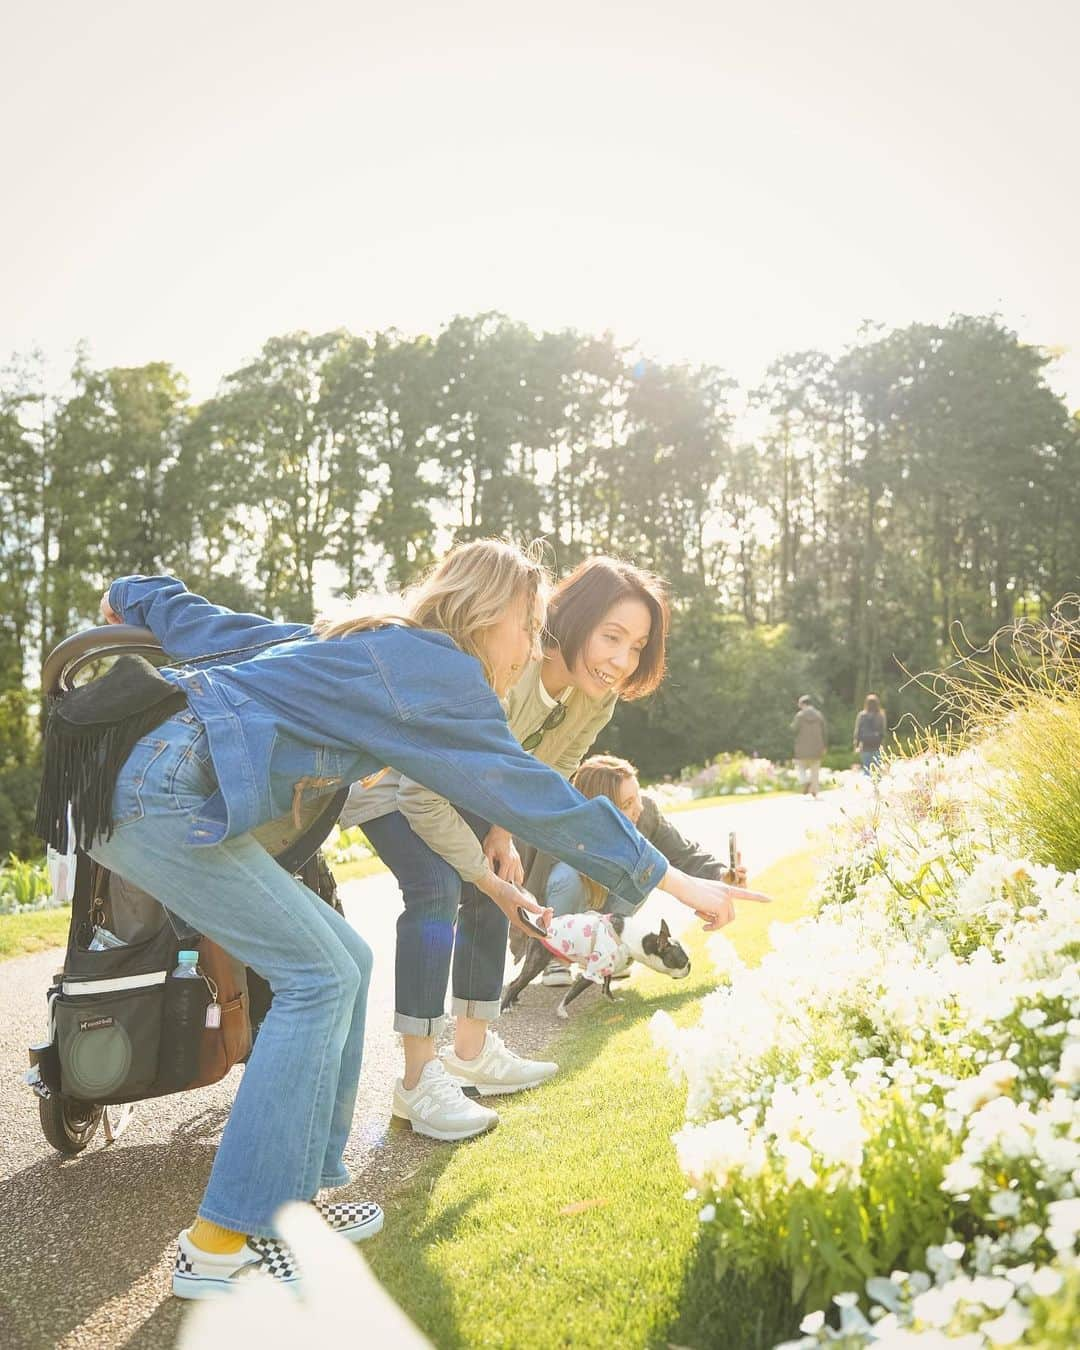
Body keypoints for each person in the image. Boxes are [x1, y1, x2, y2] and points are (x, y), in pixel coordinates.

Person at [92, 550, 765, 1295]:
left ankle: (295, 1203)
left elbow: (216, 626)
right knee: (318, 976)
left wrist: (132, 593)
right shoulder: (439, 668)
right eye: (529, 625)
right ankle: (221, 1243)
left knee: (343, 960)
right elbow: (537, 793)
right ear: (490, 616)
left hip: (145, 782)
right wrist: (673, 878)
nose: (531, 644)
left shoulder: (375, 639)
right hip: (162, 791)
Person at [342, 554, 760, 1142]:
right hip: (387, 781)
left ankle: (471, 1048)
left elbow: (550, 775)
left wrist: (501, 836)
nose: (622, 660)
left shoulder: (597, 697)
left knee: (495, 879)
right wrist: (492, 876)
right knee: (437, 887)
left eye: (637, 646)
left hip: (452, 787)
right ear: (575, 618)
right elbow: (422, 794)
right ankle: (417, 1077)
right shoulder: (507, 670)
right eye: (611, 637)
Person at [531, 753, 743, 944]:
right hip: (568, 907)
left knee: (647, 870)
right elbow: (534, 883)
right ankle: (554, 955)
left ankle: (612, 945)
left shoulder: (646, 813)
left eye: (638, 796)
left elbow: (683, 854)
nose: (638, 808)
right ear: (601, 810)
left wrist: (722, 874)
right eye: (627, 804)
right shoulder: (565, 824)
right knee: (567, 875)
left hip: (611, 907)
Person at [791, 694, 827, 799]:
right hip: (817, 747)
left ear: (803, 704)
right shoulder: (819, 715)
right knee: (815, 769)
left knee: (800, 766)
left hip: (802, 747)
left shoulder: (800, 716)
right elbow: (825, 732)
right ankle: (814, 790)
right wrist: (824, 745)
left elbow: (794, 729)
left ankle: (805, 781)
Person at [854, 692, 887, 775]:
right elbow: (883, 732)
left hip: (865, 746)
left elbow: (858, 732)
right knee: (877, 769)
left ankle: (867, 786)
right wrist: (883, 746)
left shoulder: (862, 715)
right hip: (877, 746)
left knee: (866, 769)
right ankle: (876, 787)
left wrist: (856, 745)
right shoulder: (880, 715)